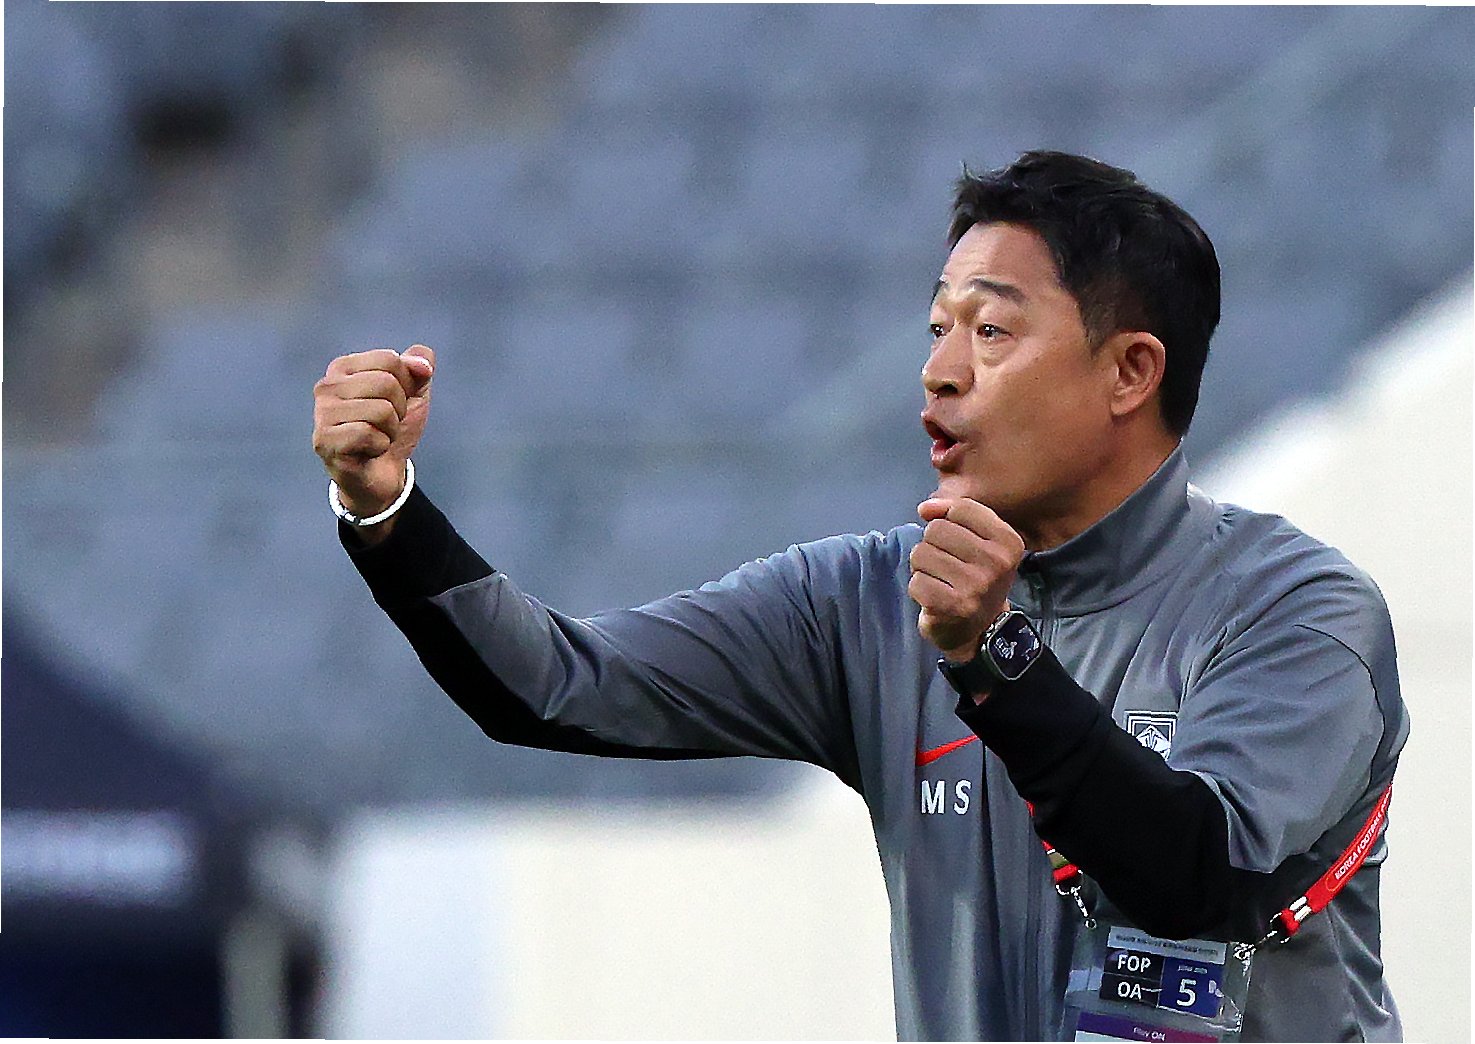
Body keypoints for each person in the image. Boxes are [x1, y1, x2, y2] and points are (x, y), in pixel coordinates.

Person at [312, 151, 1408, 1042]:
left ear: (1129, 371)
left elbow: (1198, 877)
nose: (939, 371)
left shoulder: (1295, 611)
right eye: (936, 327)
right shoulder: (865, 602)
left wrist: (994, 660)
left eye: (990, 330)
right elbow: (555, 685)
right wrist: (387, 512)